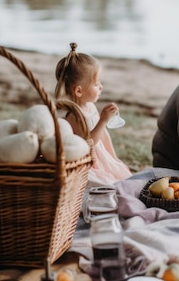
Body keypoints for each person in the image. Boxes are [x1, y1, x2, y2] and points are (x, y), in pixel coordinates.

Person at [54, 43, 131, 187]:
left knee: (121, 175)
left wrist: (114, 157)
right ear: (78, 91)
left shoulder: (90, 106)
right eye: (96, 84)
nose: (101, 87)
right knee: (104, 183)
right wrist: (103, 121)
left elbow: (104, 136)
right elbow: (88, 144)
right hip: (89, 162)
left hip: (102, 156)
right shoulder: (74, 115)